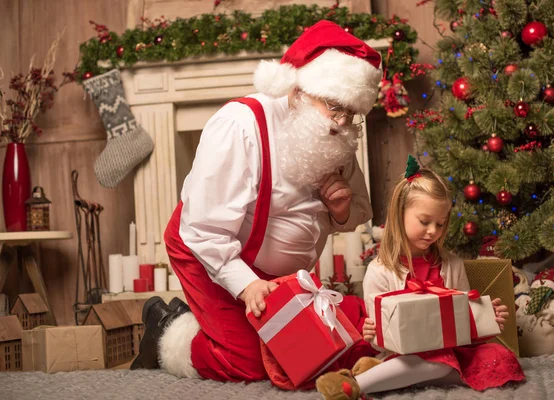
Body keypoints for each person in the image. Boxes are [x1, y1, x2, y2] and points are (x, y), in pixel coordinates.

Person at [130, 20, 384, 387]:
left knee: (314, 351)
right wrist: (247, 285)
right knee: (249, 363)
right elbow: (203, 229)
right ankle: (167, 329)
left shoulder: (334, 132)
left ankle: (216, 324)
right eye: (335, 108)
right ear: (300, 91)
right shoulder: (241, 124)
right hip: (208, 250)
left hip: (279, 275)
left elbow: (358, 210)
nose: (343, 122)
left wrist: (340, 210)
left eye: (351, 113)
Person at [316, 160, 525, 399]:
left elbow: (464, 323)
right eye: (425, 222)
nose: (433, 231)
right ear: (399, 214)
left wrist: (486, 320)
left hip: (452, 353)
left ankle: (396, 378)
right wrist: (373, 336)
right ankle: (357, 385)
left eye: (440, 224)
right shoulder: (379, 271)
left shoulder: (451, 265)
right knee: (439, 363)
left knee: (500, 356)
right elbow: (380, 344)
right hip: (404, 355)